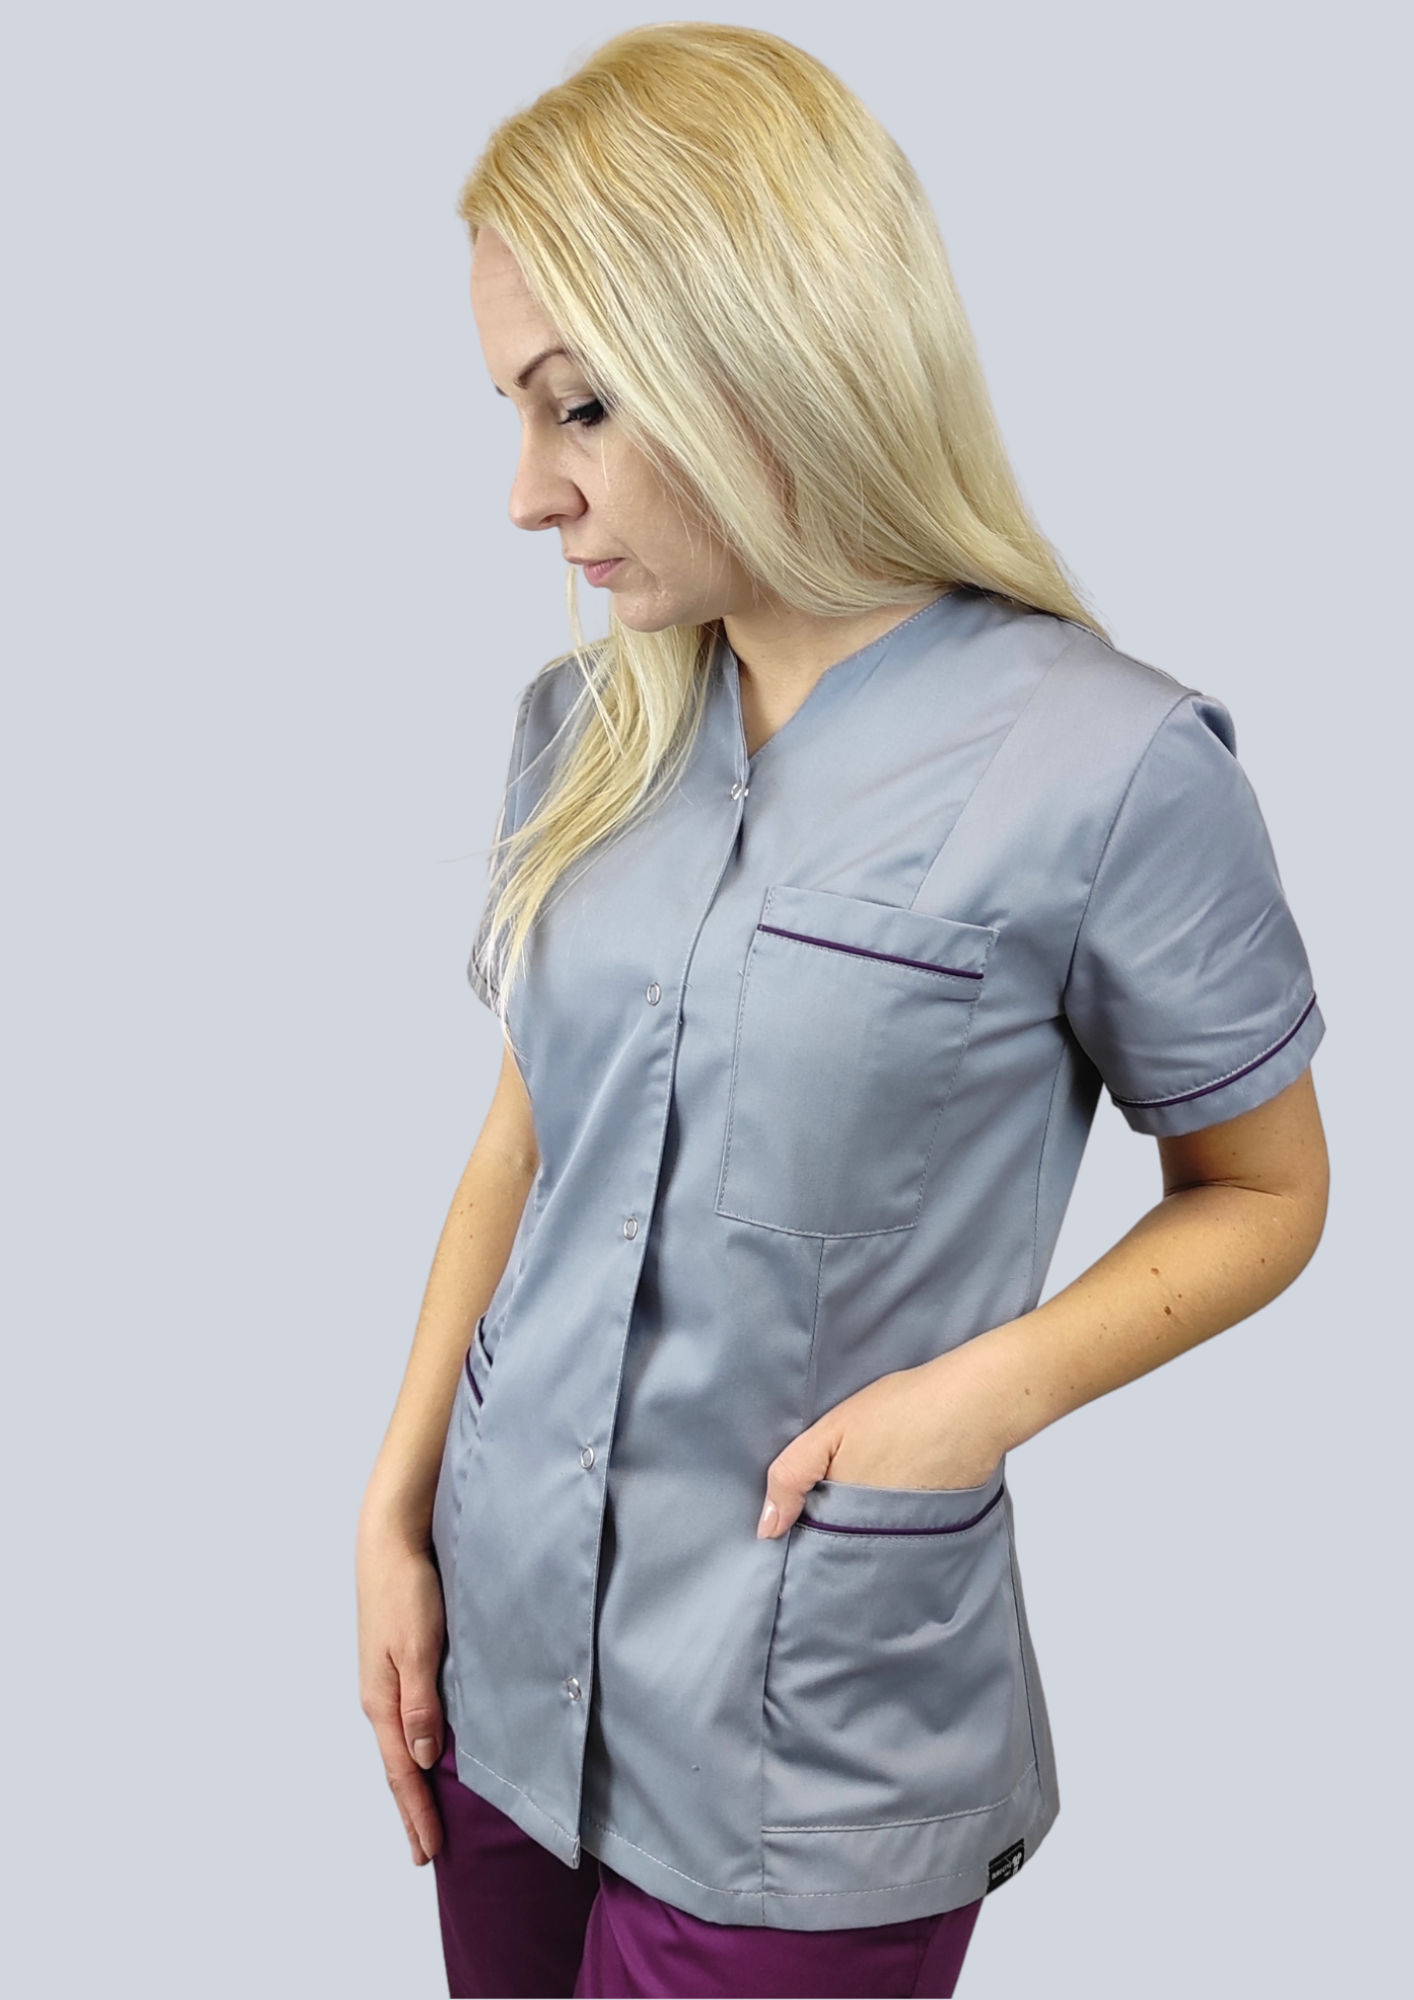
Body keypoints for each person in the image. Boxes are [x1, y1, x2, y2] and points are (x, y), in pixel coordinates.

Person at [355, 23, 1329, 1999]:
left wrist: (978, 1400)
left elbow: (1262, 1189)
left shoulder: (1108, 770)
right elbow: (525, 1133)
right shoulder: (583, 727)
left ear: (765, 350)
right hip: (500, 1652)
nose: (526, 497)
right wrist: (393, 1506)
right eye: (513, 415)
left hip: (803, 1732)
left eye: (577, 407)